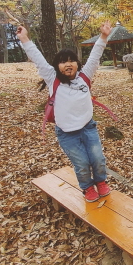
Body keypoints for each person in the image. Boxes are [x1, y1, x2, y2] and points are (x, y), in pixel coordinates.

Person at [17, 21, 113, 203]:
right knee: (82, 164)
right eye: (63, 62)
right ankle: (87, 187)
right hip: (67, 133)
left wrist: (104, 36)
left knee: (98, 159)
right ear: (56, 66)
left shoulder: (85, 77)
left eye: (71, 61)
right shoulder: (53, 79)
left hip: (88, 127)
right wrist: (25, 39)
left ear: (77, 63)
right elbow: (37, 58)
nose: (68, 65)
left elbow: (95, 56)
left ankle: (101, 182)